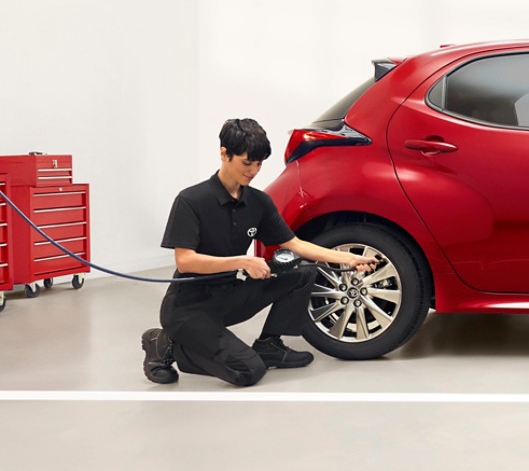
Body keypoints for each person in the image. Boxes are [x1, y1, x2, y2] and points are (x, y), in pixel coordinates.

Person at [140, 118, 377, 385]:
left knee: (303, 272)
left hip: (229, 296)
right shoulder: (191, 200)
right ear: (224, 154)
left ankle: (270, 345)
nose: (253, 170)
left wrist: (350, 258)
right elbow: (185, 262)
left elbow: (296, 245)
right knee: (249, 371)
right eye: (246, 162)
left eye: (259, 163)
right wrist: (242, 261)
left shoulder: (258, 202)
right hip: (189, 308)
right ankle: (165, 343)